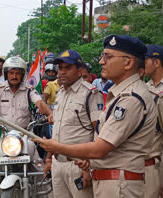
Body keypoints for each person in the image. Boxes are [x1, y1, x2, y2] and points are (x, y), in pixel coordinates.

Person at [34, 35, 157, 198]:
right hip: (104, 177)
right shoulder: (120, 94)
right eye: (103, 56)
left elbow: (99, 148)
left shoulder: (131, 98)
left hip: (118, 184)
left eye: (108, 56)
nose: (101, 61)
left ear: (128, 63)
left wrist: (57, 147)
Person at [0, 56, 52, 198]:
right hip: (4, 136)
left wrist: (50, 114)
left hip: (25, 136)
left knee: (38, 166)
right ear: (6, 74)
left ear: (22, 75)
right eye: (11, 73)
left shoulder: (29, 90)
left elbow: (39, 103)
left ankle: (43, 194)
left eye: (17, 73)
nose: (14, 76)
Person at [43, 50, 104, 198]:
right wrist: (49, 159)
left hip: (78, 165)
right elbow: (57, 129)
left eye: (67, 68)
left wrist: (88, 166)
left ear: (79, 70)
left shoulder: (91, 94)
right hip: (58, 164)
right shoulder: (60, 93)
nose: (62, 72)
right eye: (60, 68)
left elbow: (99, 132)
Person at [144, 44, 163, 197]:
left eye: (145, 60)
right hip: (139, 164)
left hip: (156, 164)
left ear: (156, 63)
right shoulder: (144, 88)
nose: (142, 64)